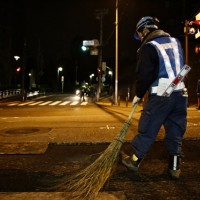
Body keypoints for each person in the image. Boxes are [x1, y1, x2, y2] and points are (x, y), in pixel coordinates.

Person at [121, 16, 188, 179]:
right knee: (175, 130)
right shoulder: (176, 42)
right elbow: (183, 68)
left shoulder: (149, 47)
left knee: (148, 128)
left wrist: (138, 94)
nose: (140, 38)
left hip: (161, 95)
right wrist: (175, 87)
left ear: (146, 29)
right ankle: (174, 167)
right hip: (181, 94)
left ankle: (134, 161)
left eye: (140, 34)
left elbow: (145, 75)